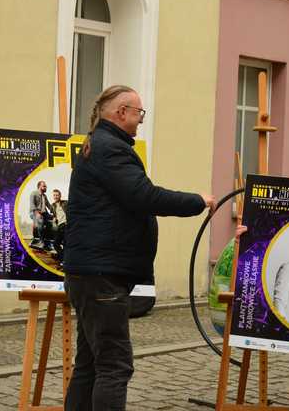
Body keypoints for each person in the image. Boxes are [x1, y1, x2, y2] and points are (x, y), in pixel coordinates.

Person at [63, 85, 216, 410]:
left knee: (90, 364)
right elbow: (145, 196)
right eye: (139, 113)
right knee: (114, 366)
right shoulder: (111, 149)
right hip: (102, 275)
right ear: (121, 113)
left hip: (93, 273)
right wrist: (197, 202)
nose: (141, 120)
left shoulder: (100, 144)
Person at [29, 180, 54, 250]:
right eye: (44, 186)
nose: (46, 188)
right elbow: (32, 205)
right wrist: (37, 213)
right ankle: (41, 241)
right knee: (40, 219)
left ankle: (49, 242)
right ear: (39, 186)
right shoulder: (33, 193)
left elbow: (49, 205)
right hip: (34, 212)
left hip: (44, 213)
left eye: (46, 186)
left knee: (53, 220)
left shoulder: (44, 196)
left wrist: (55, 211)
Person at [52, 189, 67, 262]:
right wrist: (54, 218)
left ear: (60, 196)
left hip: (66, 225)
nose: (55, 197)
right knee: (55, 244)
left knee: (65, 243)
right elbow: (55, 214)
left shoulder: (65, 203)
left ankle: (63, 260)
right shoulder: (53, 205)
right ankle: (63, 258)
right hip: (59, 226)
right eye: (54, 195)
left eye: (57, 195)